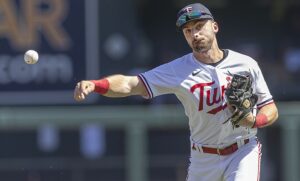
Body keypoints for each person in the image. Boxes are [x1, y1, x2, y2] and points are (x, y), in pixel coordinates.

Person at [74, 3, 278, 181]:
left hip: (242, 149)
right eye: (188, 31)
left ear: (215, 27)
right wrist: (96, 84)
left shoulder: (245, 64)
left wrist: (255, 121)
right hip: (203, 156)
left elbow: (270, 107)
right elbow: (130, 84)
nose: (194, 34)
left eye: (199, 27)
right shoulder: (177, 70)